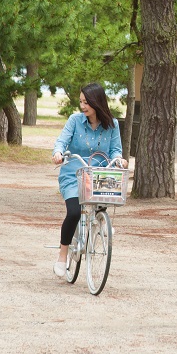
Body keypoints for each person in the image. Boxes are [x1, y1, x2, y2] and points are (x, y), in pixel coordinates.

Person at [51, 82, 126, 279]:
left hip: (98, 175)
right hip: (74, 173)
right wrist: (58, 152)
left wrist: (119, 159)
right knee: (74, 212)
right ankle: (62, 256)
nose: (83, 106)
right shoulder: (75, 120)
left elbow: (115, 149)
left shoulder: (112, 124)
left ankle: (99, 223)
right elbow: (62, 141)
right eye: (81, 102)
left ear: (97, 102)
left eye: (87, 102)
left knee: (104, 199)